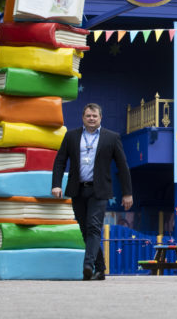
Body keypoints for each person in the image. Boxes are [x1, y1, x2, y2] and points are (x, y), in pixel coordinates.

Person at [52, 103, 133, 281]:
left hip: (99, 190)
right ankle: (100, 268)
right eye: (88, 116)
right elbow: (60, 161)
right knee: (84, 230)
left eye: (94, 116)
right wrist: (56, 184)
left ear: (100, 118)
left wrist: (127, 193)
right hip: (78, 189)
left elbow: (122, 165)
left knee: (93, 227)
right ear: (83, 117)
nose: (91, 119)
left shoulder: (111, 137)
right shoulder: (71, 136)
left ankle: (88, 265)